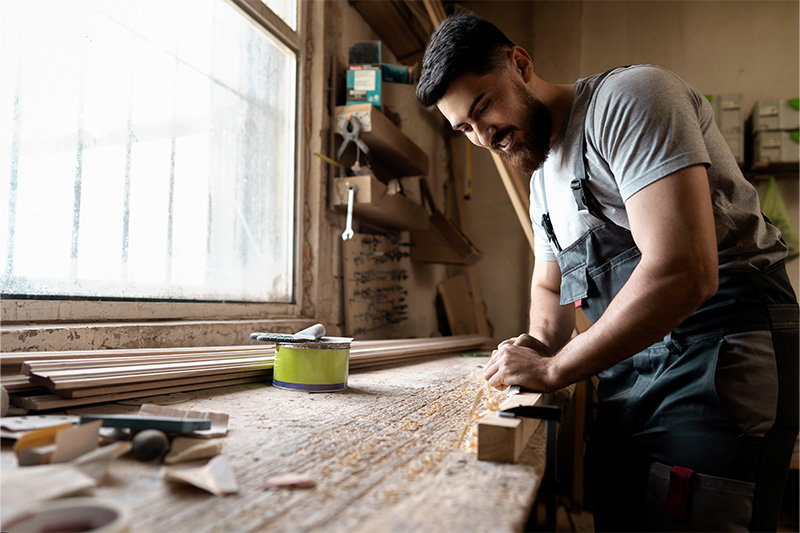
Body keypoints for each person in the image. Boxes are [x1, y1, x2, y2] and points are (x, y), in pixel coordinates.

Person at [416, 13, 799, 532]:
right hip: (630, 365)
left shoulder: (630, 100)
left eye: (483, 107)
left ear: (520, 64)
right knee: (618, 502)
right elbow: (549, 283)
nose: (484, 138)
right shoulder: (542, 178)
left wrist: (554, 370)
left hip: (719, 348)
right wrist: (538, 347)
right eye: (465, 128)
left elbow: (684, 270)